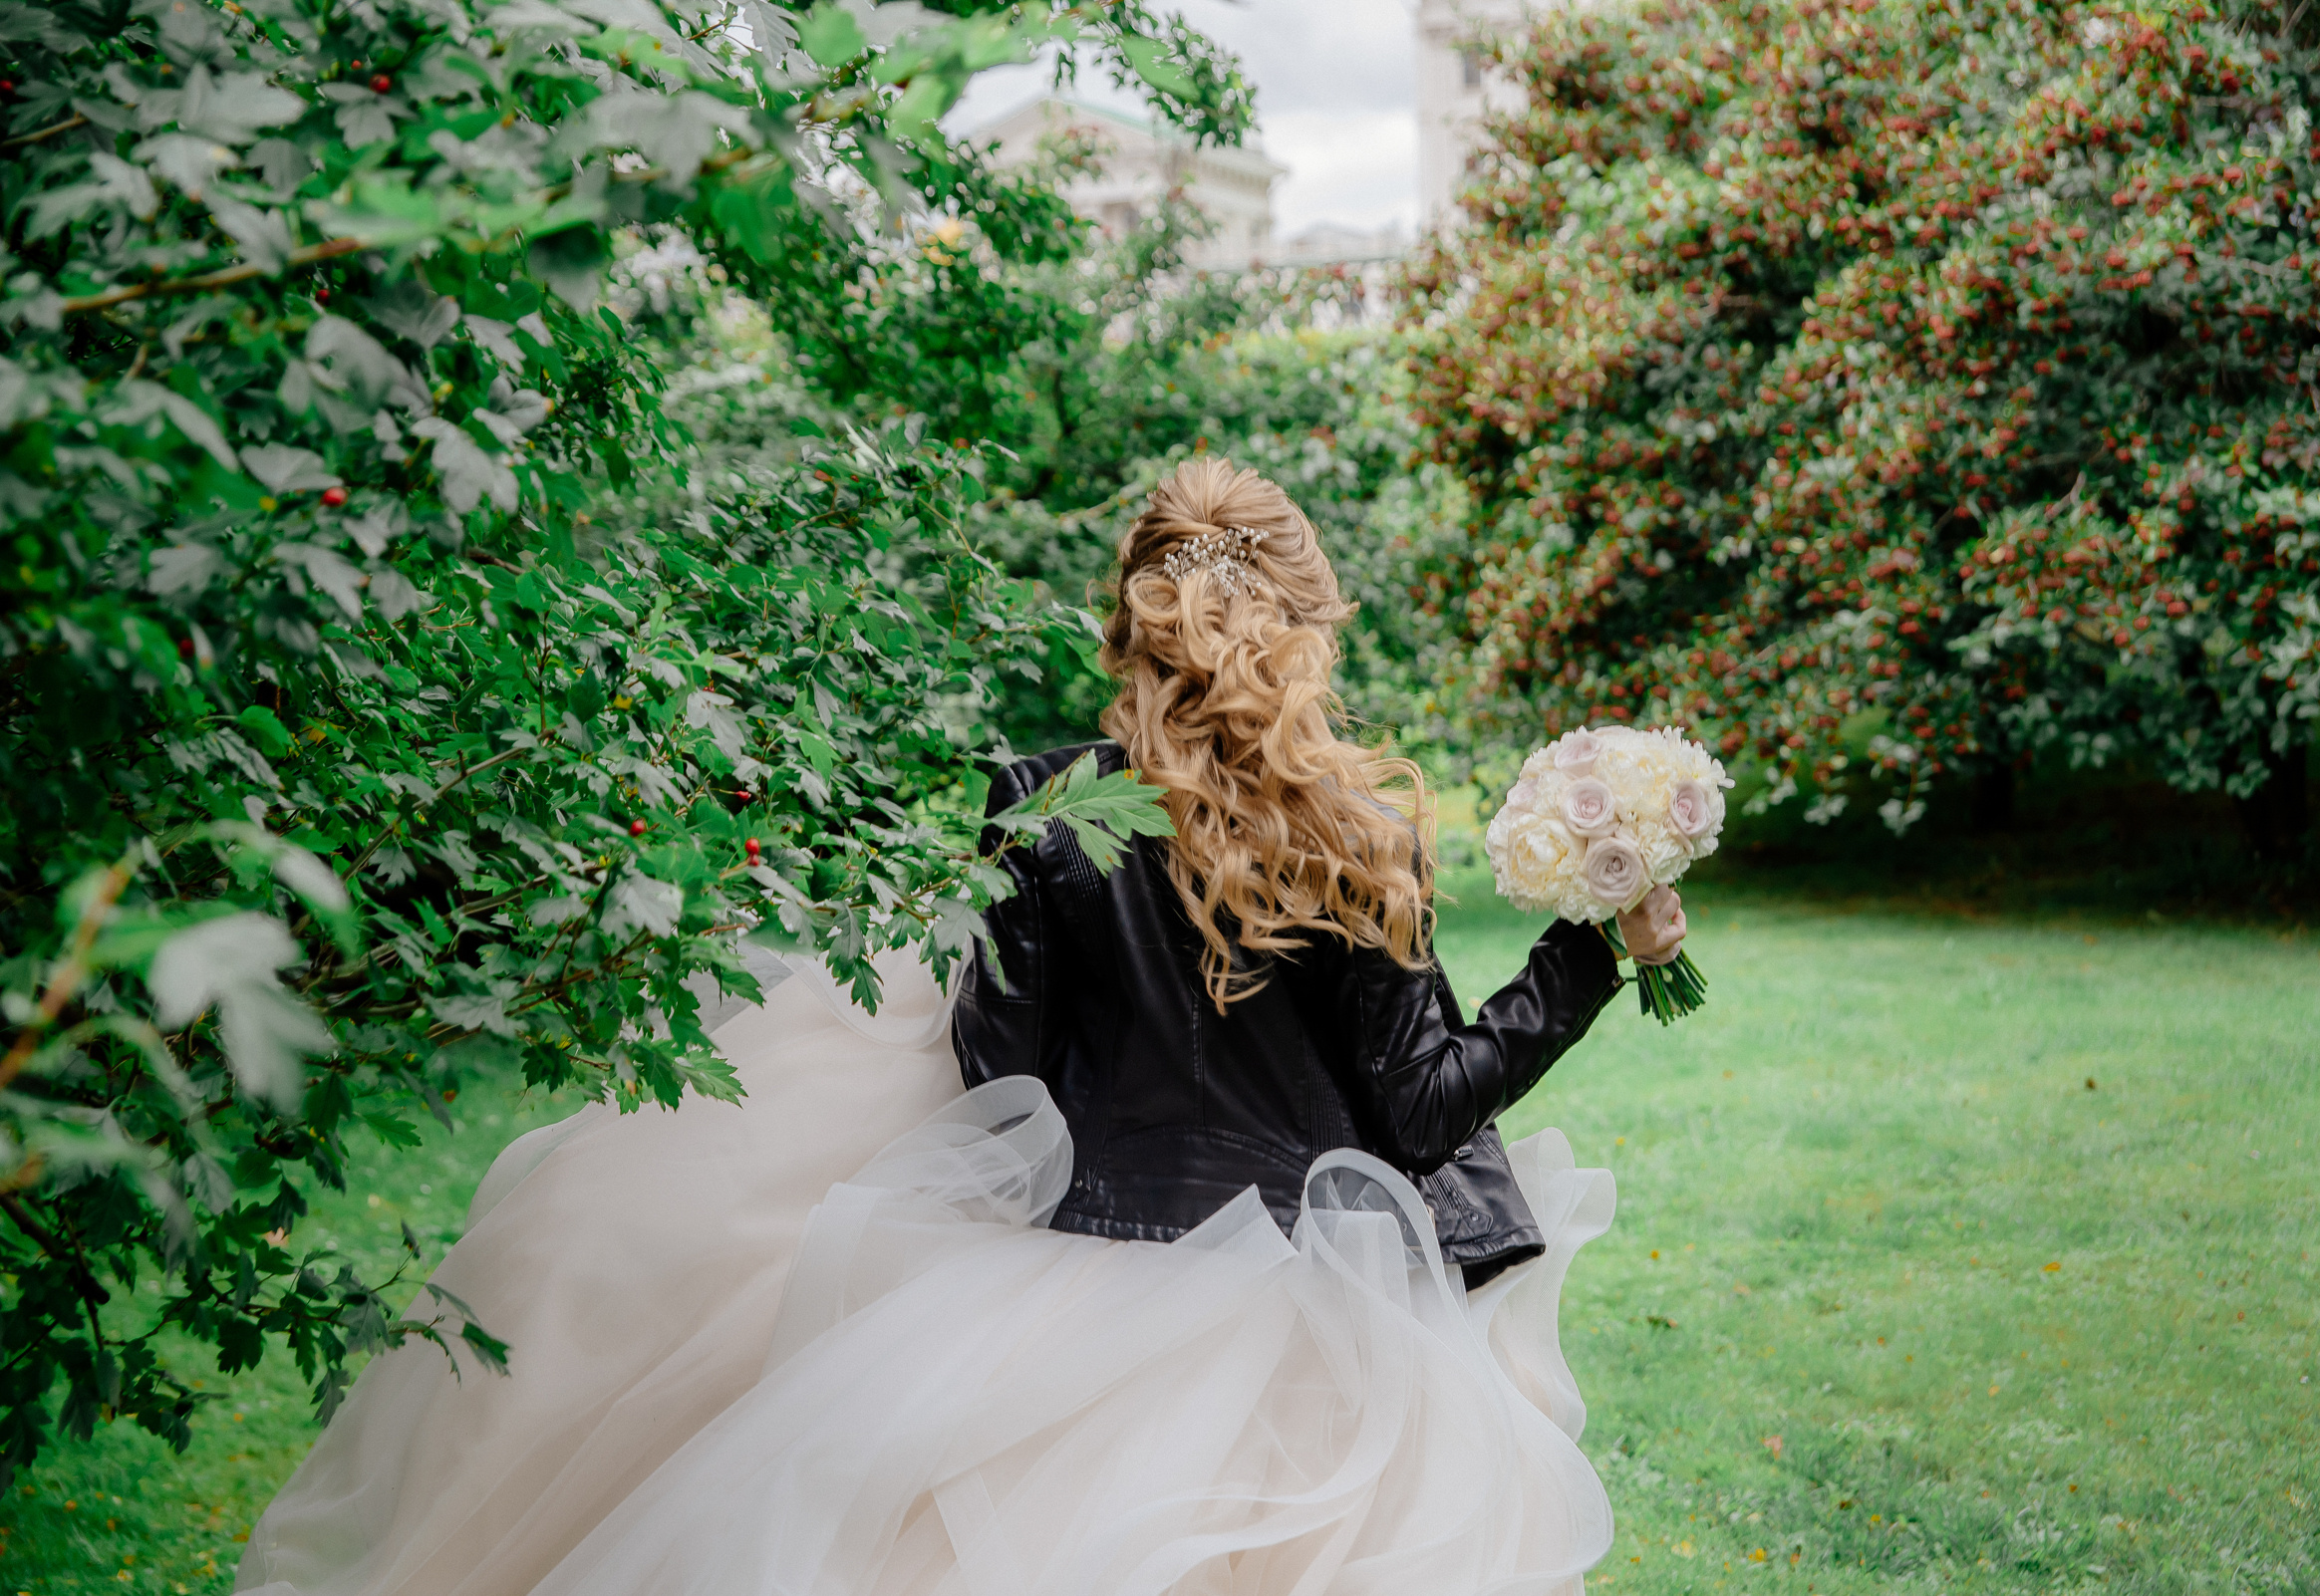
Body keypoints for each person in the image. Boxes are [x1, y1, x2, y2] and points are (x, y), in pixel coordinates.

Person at [236, 458, 1685, 1596]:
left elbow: (1003, 1080)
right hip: (1323, 1327)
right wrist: (1589, 950)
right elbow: (1427, 1108)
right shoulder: (1358, 836)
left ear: (1132, 623)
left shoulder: (1039, 807)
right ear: (1302, 630)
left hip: (1069, 1301)